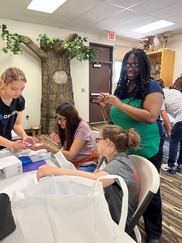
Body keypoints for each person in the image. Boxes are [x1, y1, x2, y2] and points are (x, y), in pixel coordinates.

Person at [98, 48, 164, 243]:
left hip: (147, 146)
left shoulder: (152, 87)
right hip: (125, 145)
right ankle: (124, 218)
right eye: (128, 63)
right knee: (125, 184)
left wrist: (118, 104)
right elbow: (115, 118)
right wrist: (107, 108)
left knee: (149, 189)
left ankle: (154, 233)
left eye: (135, 64)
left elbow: (151, 117)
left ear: (143, 66)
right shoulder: (123, 87)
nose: (131, 67)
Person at [37, 124, 141, 227]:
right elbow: (90, 179)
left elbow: (95, 180)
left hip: (116, 222)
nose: (97, 143)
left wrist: (57, 171)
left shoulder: (119, 164)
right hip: (105, 209)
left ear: (107, 142)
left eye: (98, 140)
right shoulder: (106, 158)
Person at [35, 102, 98, 172]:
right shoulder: (67, 126)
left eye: (61, 119)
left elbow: (70, 155)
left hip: (86, 163)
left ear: (71, 118)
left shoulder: (82, 127)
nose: (59, 122)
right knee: (50, 169)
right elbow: (63, 153)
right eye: (58, 118)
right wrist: (59, 143)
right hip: (72, 162)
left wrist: (48, 147)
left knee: (72, 179)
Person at [0, 67, 36, 150]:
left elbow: (16, 124)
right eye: (14, 89)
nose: (18, 93)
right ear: (3, 83)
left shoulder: (19, 100)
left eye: (22, 89)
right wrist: (13, 145)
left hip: (6, 143)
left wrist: (24, 136)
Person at [158, 77, 182, 174]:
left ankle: (171, 166)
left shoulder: (159, 96)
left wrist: (169, 130)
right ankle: (180, 165)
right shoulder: (173, 91)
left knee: (174, 141)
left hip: (181, 118)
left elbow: (164, 115)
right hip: (180, 116)